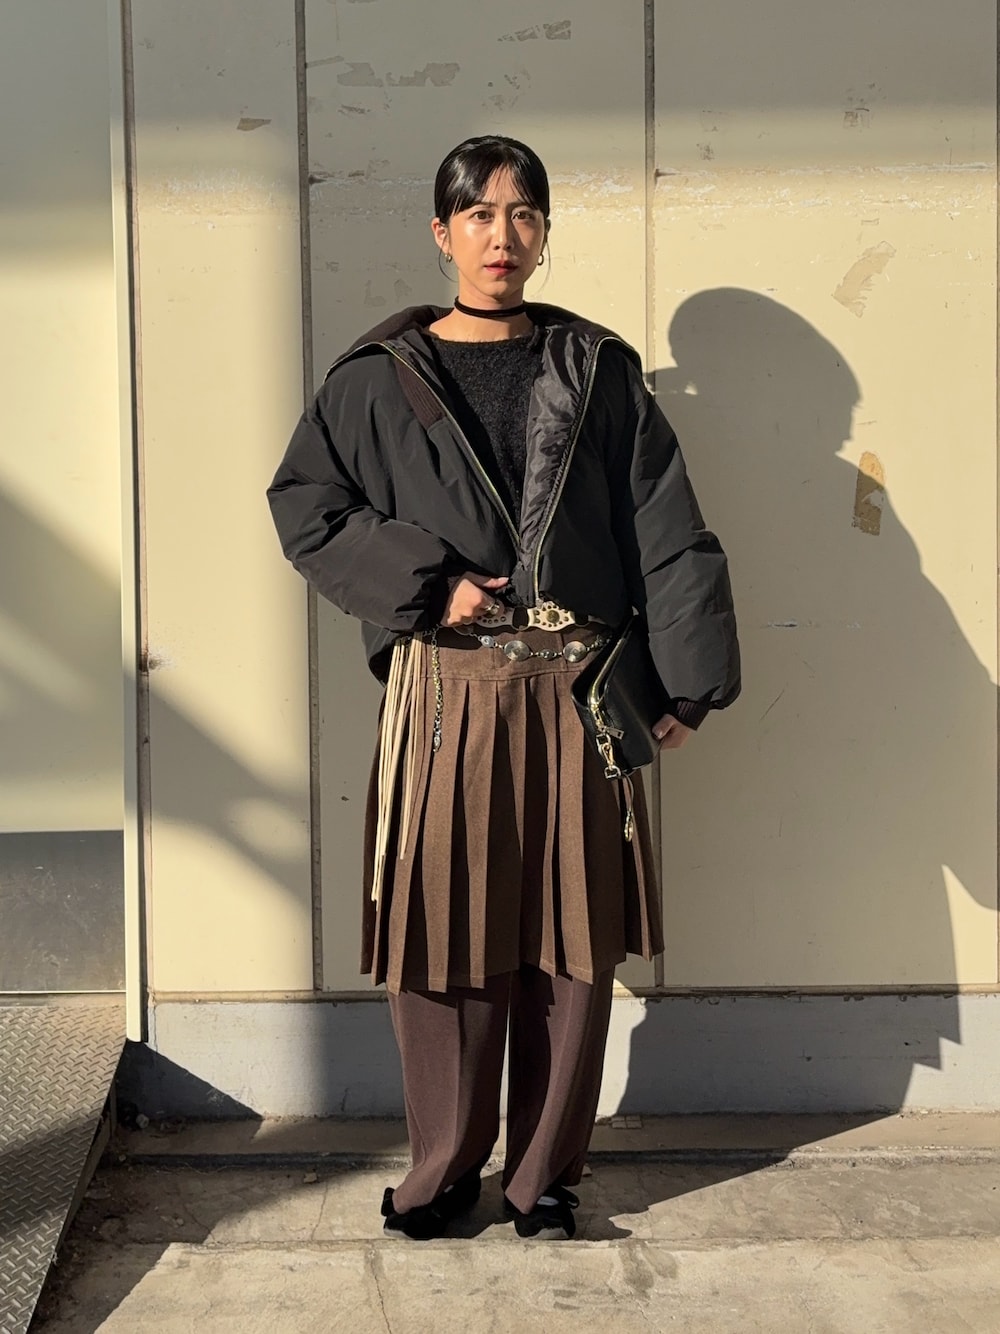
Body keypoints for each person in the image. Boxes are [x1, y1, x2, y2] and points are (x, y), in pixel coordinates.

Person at [267, 135, 740, 1241]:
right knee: (443, 928)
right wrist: (431, 586)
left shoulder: (597, 370)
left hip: (580, 690)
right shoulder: (373, 378)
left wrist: (690, 679)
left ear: (543, 231)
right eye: (479, 214)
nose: (502, 235)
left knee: (573, 940)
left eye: (524, 213)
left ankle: (545, 1176)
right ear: (441, 233)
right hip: (446, 692)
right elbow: (308, 508)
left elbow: (664, 523)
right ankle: (441, 1167)